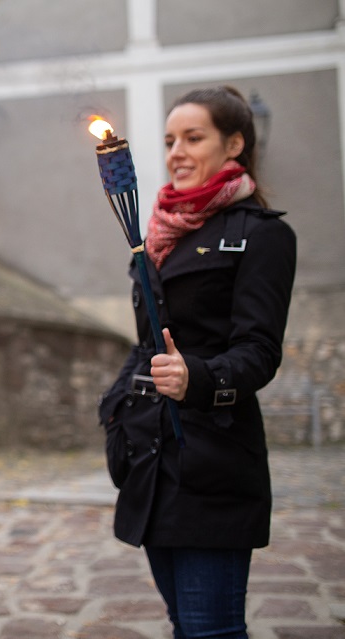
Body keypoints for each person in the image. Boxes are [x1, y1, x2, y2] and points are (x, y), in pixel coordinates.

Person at [98, 85, 296, 639]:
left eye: (193, 137)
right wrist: (115, 410)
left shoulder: (264, 236)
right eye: (168, 140)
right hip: (151, 463)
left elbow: (260, 352)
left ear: (234, 144)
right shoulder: (154, 236)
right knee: (184, 624)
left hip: (214, 460)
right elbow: (145, 344)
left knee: (212, 630)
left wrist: (198, 378)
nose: (176, 152)